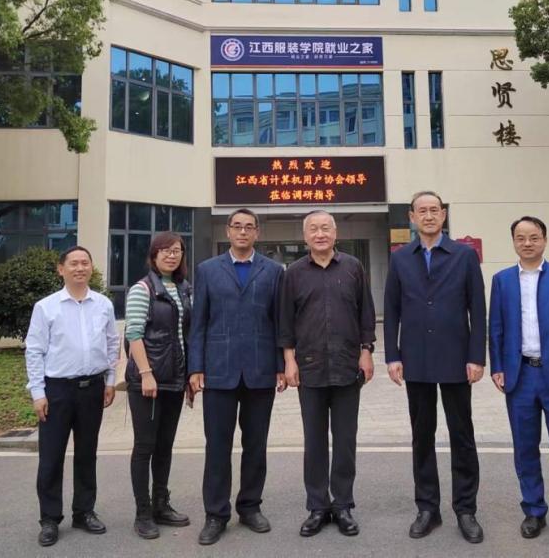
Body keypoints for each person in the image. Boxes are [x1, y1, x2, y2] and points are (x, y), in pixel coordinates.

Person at [383, 190, 486, 543]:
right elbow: (391, 309)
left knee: (462, 434)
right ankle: (427, 507)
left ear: (443, 215)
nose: (428, 216)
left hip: (456, 358)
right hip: (416, 359)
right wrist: (393, 356)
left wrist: (476, 356)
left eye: (434, 210)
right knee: (422, 435)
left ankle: (466, 509)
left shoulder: (464, 255)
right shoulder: (400, 258)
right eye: (421, 211)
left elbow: (478, 308)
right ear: (411, 217)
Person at [189, 209, 286, 546]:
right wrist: (196, 367)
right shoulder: (207, 270)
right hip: (219, 370)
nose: (243, 232)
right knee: (217, 445)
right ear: (228, 231)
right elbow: (198, 323)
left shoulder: (273, 271)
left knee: (256, 444)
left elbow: (279, 322)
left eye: (249, 227)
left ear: (257, 232)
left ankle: (250, 506)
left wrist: (281, 365)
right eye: (237, 226)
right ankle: (216, 514)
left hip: (261, 370)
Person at [278, 210, 375, 538]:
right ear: (305, 236)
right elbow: (285, 321)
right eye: (314, 229)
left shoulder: (353, 267)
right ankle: (318, 506)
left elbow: (366, 313)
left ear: (335, 234)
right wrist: (289, 360)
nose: (320, 234)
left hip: (348, 366)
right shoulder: (293, 273)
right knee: (315, 440)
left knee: (345, 440)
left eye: (325, 228)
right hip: (309, 368)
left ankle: (343, 504)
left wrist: (366, 352)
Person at [488, 216, 549, 543]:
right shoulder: (502, 280)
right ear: (514, 242)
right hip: (520, 376)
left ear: (544, 239)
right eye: (520, 238)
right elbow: (496, 328)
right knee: (525, 448)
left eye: (534, 237)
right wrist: (498, 366)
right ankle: (533, 510)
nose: (527, 243)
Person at [24, 246, 118, 547]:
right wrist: (38, 392)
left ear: (91, 268)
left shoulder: (103, 304)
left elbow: (112, 343)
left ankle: (84, 511)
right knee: (51, 457)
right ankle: (50, 519)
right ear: (61, 269)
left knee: (87, 453)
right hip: (57, 391)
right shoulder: (46, 307)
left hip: (92, 388)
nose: (80, 268)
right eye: (74, 263)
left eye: (85, 263)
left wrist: (110, 380)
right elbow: (34, 350)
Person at [124, 231, 193, 540]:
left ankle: (161, 505)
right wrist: (146, 373)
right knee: (145, 447)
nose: (171, 255)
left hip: (175, 380)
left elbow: (184, 336)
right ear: (153, 255)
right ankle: (143, 513)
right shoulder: (143, 289)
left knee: (165, 446)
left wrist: (188, 376)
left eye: (176, 250)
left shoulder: (184, 288)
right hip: (148, 382)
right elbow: (134, 334)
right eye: (164, 250)